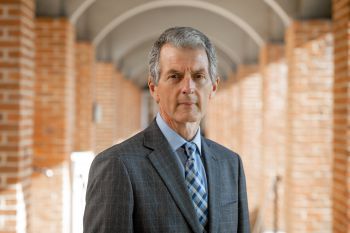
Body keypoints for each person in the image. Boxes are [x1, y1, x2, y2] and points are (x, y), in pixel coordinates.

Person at [83, 26, 250, 233]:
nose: (188, 87)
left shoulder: (230, 164)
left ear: (213, 88)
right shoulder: (117, 165)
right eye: (175, 76)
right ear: (154, 88)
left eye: (199, 76)